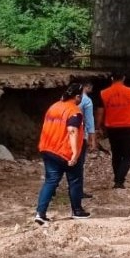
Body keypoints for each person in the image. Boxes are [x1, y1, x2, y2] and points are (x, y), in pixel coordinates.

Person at [34, 83, 91, 224]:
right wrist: (76, 154)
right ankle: (77, 210)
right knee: (75, 181)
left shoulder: (54, 106)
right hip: (65, 151)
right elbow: (72, 130)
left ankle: (40, 214)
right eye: (81, 97)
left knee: (50, 181)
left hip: (48, 148)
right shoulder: (74, 111)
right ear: (77, 96)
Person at [96, 73, 130, 189]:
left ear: (112, 79)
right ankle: (119, 180)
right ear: (123, 78)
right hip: (128, 126)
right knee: (128, 155)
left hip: (111, 127)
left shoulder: (103, 93)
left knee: (116, 154)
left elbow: (100, 112)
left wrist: (98, 126)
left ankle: (117, 178)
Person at [79, 82, 97, 198]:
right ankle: (78, 191)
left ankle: (53, 189)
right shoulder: (87, 101)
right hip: (80, 135)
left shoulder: (66, 99)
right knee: (79, 164)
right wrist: (92, 140)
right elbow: (90, 121)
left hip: (65, 135)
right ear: (86, 87)